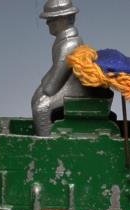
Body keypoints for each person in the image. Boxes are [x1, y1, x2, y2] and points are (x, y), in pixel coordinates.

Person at [32, 0, 96, 136]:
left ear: (64, 19)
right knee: (36, 98)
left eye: (51, 19)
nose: (47, 23)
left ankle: (47, 145)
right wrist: (43, 86)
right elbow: (55, 72)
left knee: (40, 107)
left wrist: (44, 88)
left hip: (76, 89)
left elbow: (53, 85)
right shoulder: (65, 41)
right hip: (67, 84)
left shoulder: (69, 45)